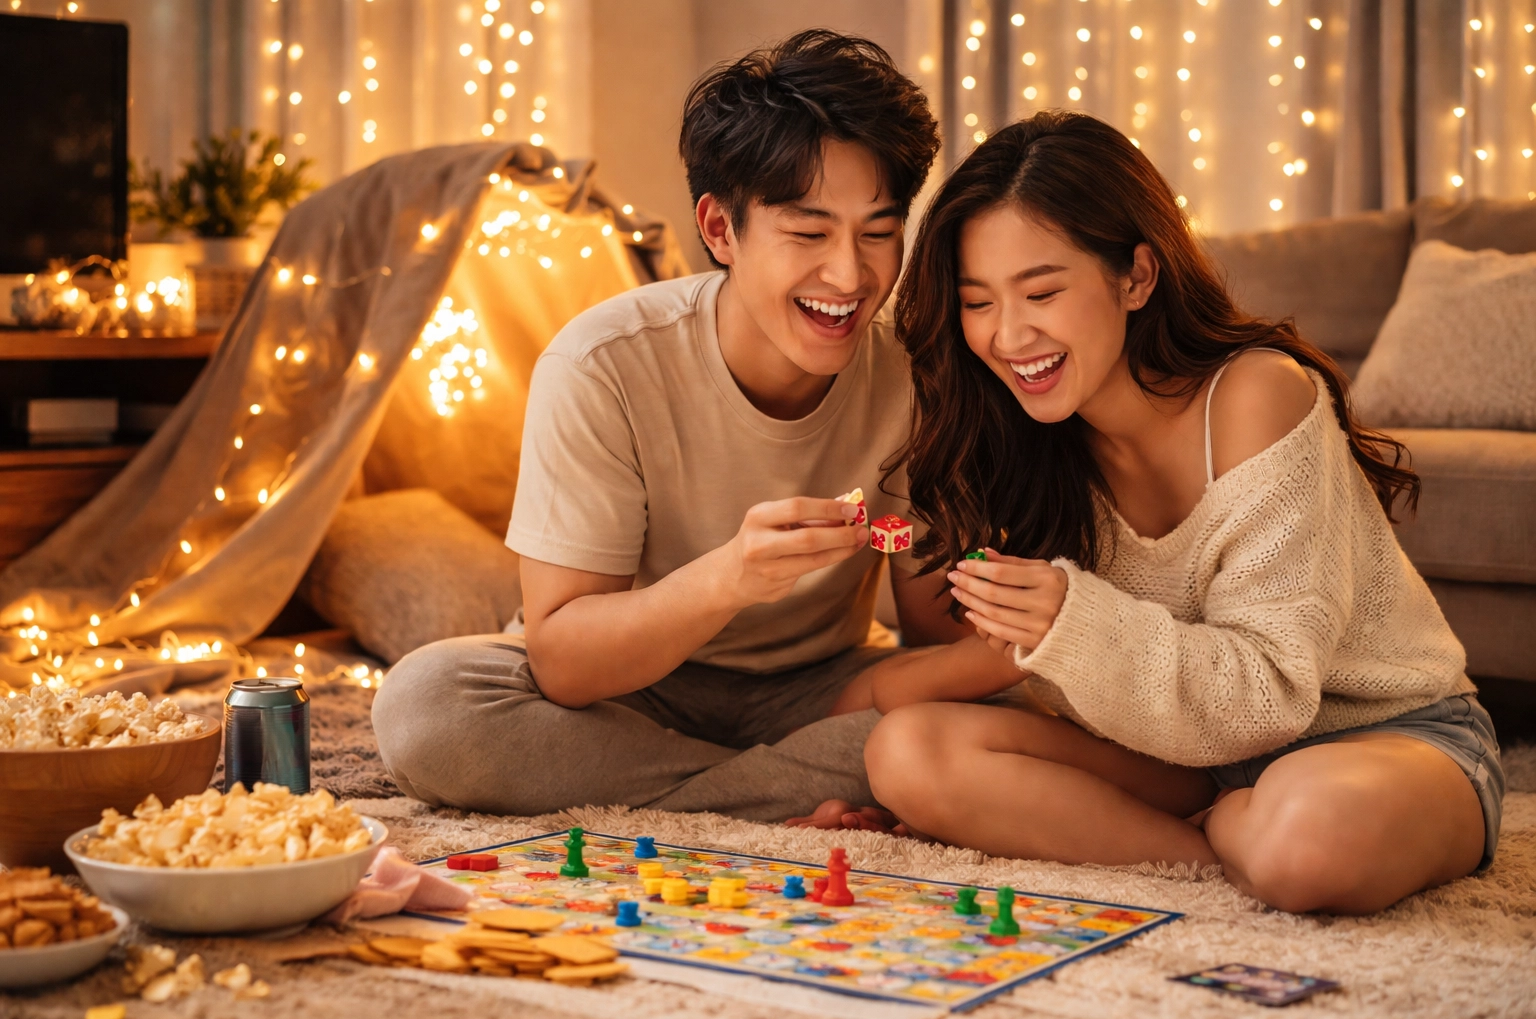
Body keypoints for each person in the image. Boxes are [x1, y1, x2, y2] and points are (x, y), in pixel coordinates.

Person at [834, 111, 1503, 915]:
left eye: (1042, 291)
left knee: (1308, 842)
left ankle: (1240, 839)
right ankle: (1220, 848)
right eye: (978, 303)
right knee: (908, 753)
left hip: (1379, 738)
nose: (1010, 336)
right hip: (1186, 756)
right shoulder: (1029, 443)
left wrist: (1070, 627)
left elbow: (1269, 699)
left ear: (1137, 277)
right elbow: (980, 667)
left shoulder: (1257, 395)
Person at [372, 30, 967, 821]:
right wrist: (731, 578)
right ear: (720, 230)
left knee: (1018, 700)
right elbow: (564, 666)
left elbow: (932, 640)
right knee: (425, 706)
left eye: (880, 232)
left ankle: (732, 792)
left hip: (820, 692)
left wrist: (993, 585)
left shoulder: (916, 379)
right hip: (630, 695)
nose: (851, 277)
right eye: (808, 232)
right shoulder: (602, 365)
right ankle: (772, 793)